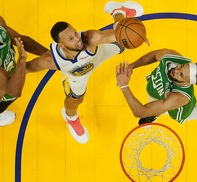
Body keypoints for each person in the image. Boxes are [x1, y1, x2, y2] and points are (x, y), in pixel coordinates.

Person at [26, 1, 147, 144]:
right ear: (61, 45)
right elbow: (26, 68)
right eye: (71, 38)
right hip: (78, 75)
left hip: (99, 54)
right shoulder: (50, 60)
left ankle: (118, 11)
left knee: (124, 40)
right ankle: (71, 119)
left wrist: (137, 34)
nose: (78, 39)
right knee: (76, 99)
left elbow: (117, 35)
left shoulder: (91, 38)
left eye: (75, 33)